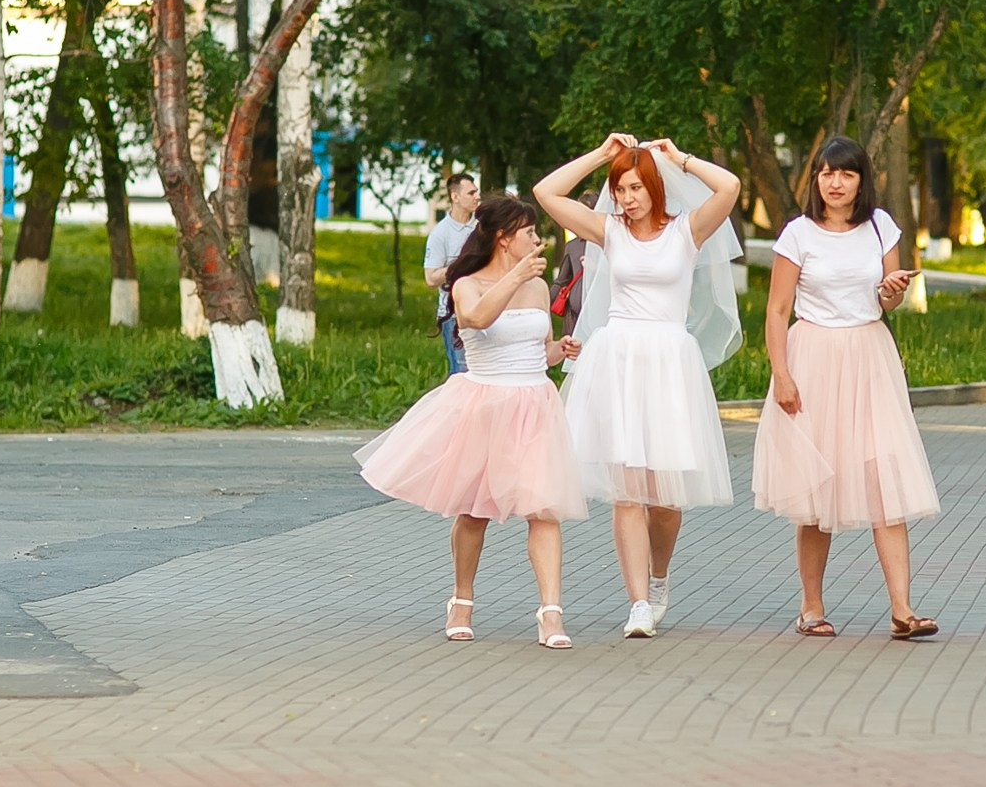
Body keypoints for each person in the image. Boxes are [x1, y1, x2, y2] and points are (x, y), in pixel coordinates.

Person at [538, 132, 744, 638]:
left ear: (654, 186)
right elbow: (546, 193)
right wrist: (602, 156)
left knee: (665, 497)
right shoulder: (608, 232)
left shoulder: (688, 231)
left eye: (634, 187)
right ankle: (635, 604)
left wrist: (682, 158)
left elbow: (732, 187)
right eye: (619, 188)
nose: (626, 198)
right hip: (619, 359)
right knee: (627, 490)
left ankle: (658, 576)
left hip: (669, 362)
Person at [357, 196, 585, 648]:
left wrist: (561, 349)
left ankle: (551, 613)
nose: (537, 241)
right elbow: (476, 318)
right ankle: (461, 600)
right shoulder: (466, 283)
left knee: (543, 511)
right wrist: (515, 276)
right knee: (474, 510)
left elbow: (538, 348)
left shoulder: (538, 287)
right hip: (484, 403)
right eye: (528, 234)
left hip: (534, 402)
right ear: (503, 238)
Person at [755, 136, 941, 640]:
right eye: (826, 173)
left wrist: (891, 292)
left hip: (869, 357)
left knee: (885, 477)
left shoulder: (881, 227)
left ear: (862, 180)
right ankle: (811, 607)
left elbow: (885, 301)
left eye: (847, 174)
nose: (835, 183)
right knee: (817, 488)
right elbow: (775, 310)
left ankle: (902, 609)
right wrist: (782, 374)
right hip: (812, 357)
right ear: (815, 179)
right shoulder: (798, 235)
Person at [423, 172, 479, 374]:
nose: (476, 197)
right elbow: (430, 278)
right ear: (455, 197)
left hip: (484, 309)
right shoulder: (441, 234)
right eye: (471, 193)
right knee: (461, 371)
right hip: (453, 314)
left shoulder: (482, 228)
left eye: (476, 192)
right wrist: (460, 266)